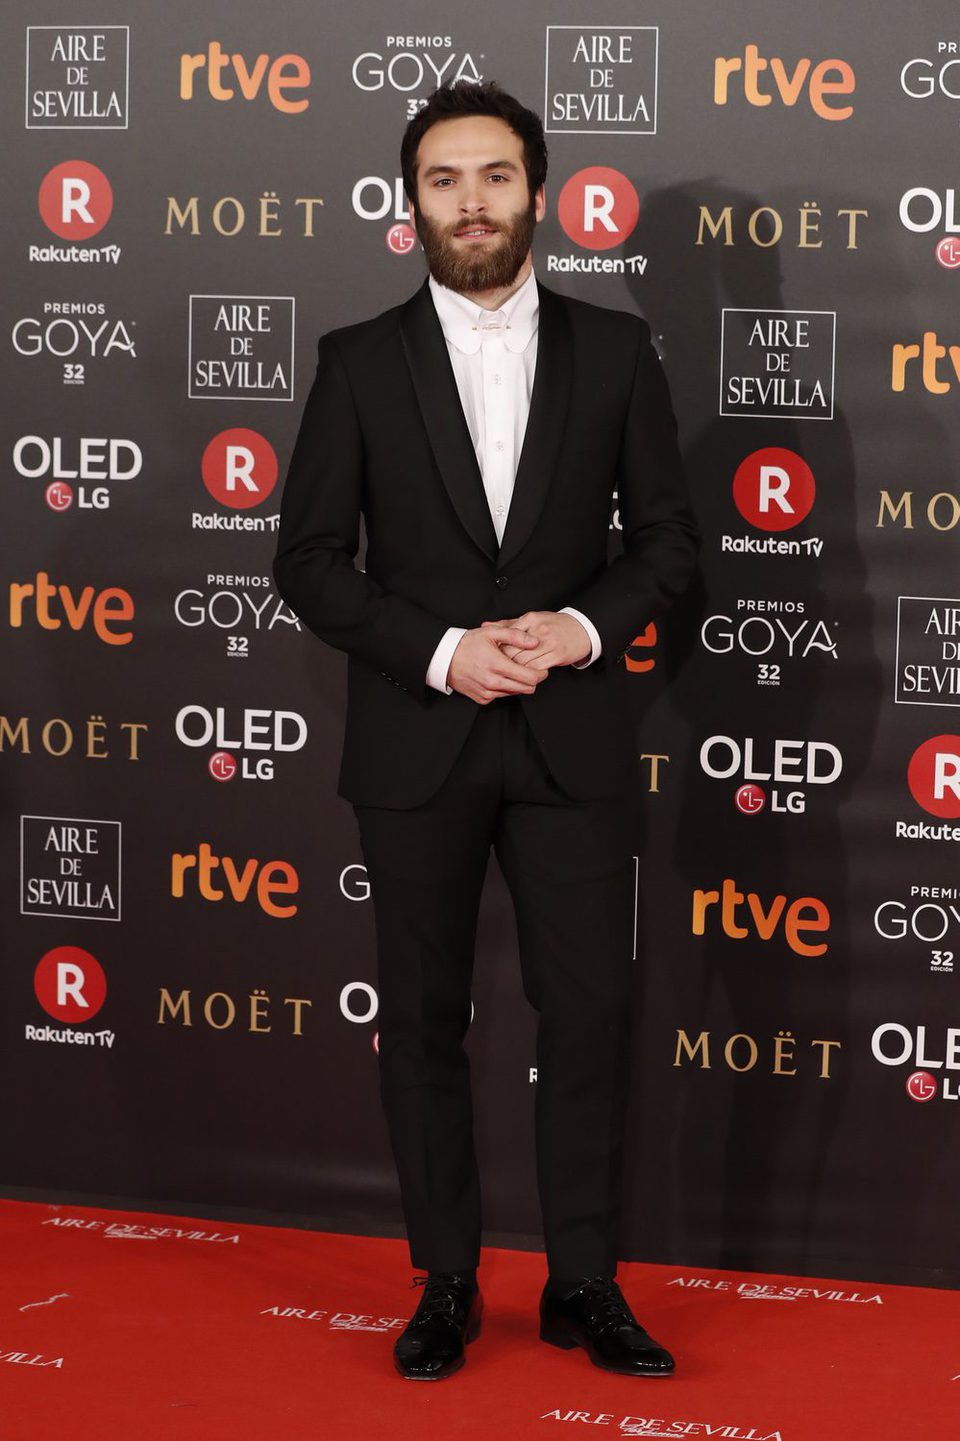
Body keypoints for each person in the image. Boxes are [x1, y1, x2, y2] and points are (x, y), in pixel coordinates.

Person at [273, 79, 699, 1382]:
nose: (473, 202)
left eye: (497, 176)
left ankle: (583, 1281)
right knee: (421, 1019)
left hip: (573, 736)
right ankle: (447, 1280)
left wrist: (574, 630)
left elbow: (672, 545)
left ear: (539, 191)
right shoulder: (356, 359)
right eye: (447, 179)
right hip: (420, 736)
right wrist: (451, 653)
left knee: (591, 1011)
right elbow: (309, 559)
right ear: (411, 206)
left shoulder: (618, 352)